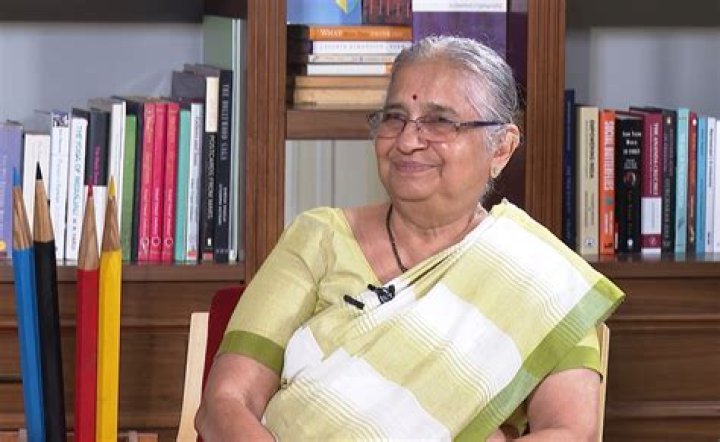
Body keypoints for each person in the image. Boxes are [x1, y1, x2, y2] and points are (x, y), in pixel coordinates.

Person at [195, 35, 624, 441]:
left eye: (439, 121)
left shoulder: (541, 276)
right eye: (394, 117)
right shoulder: (319, 238)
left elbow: (571, 432)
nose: (406, 140)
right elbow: (224, 403)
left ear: (501, 148)